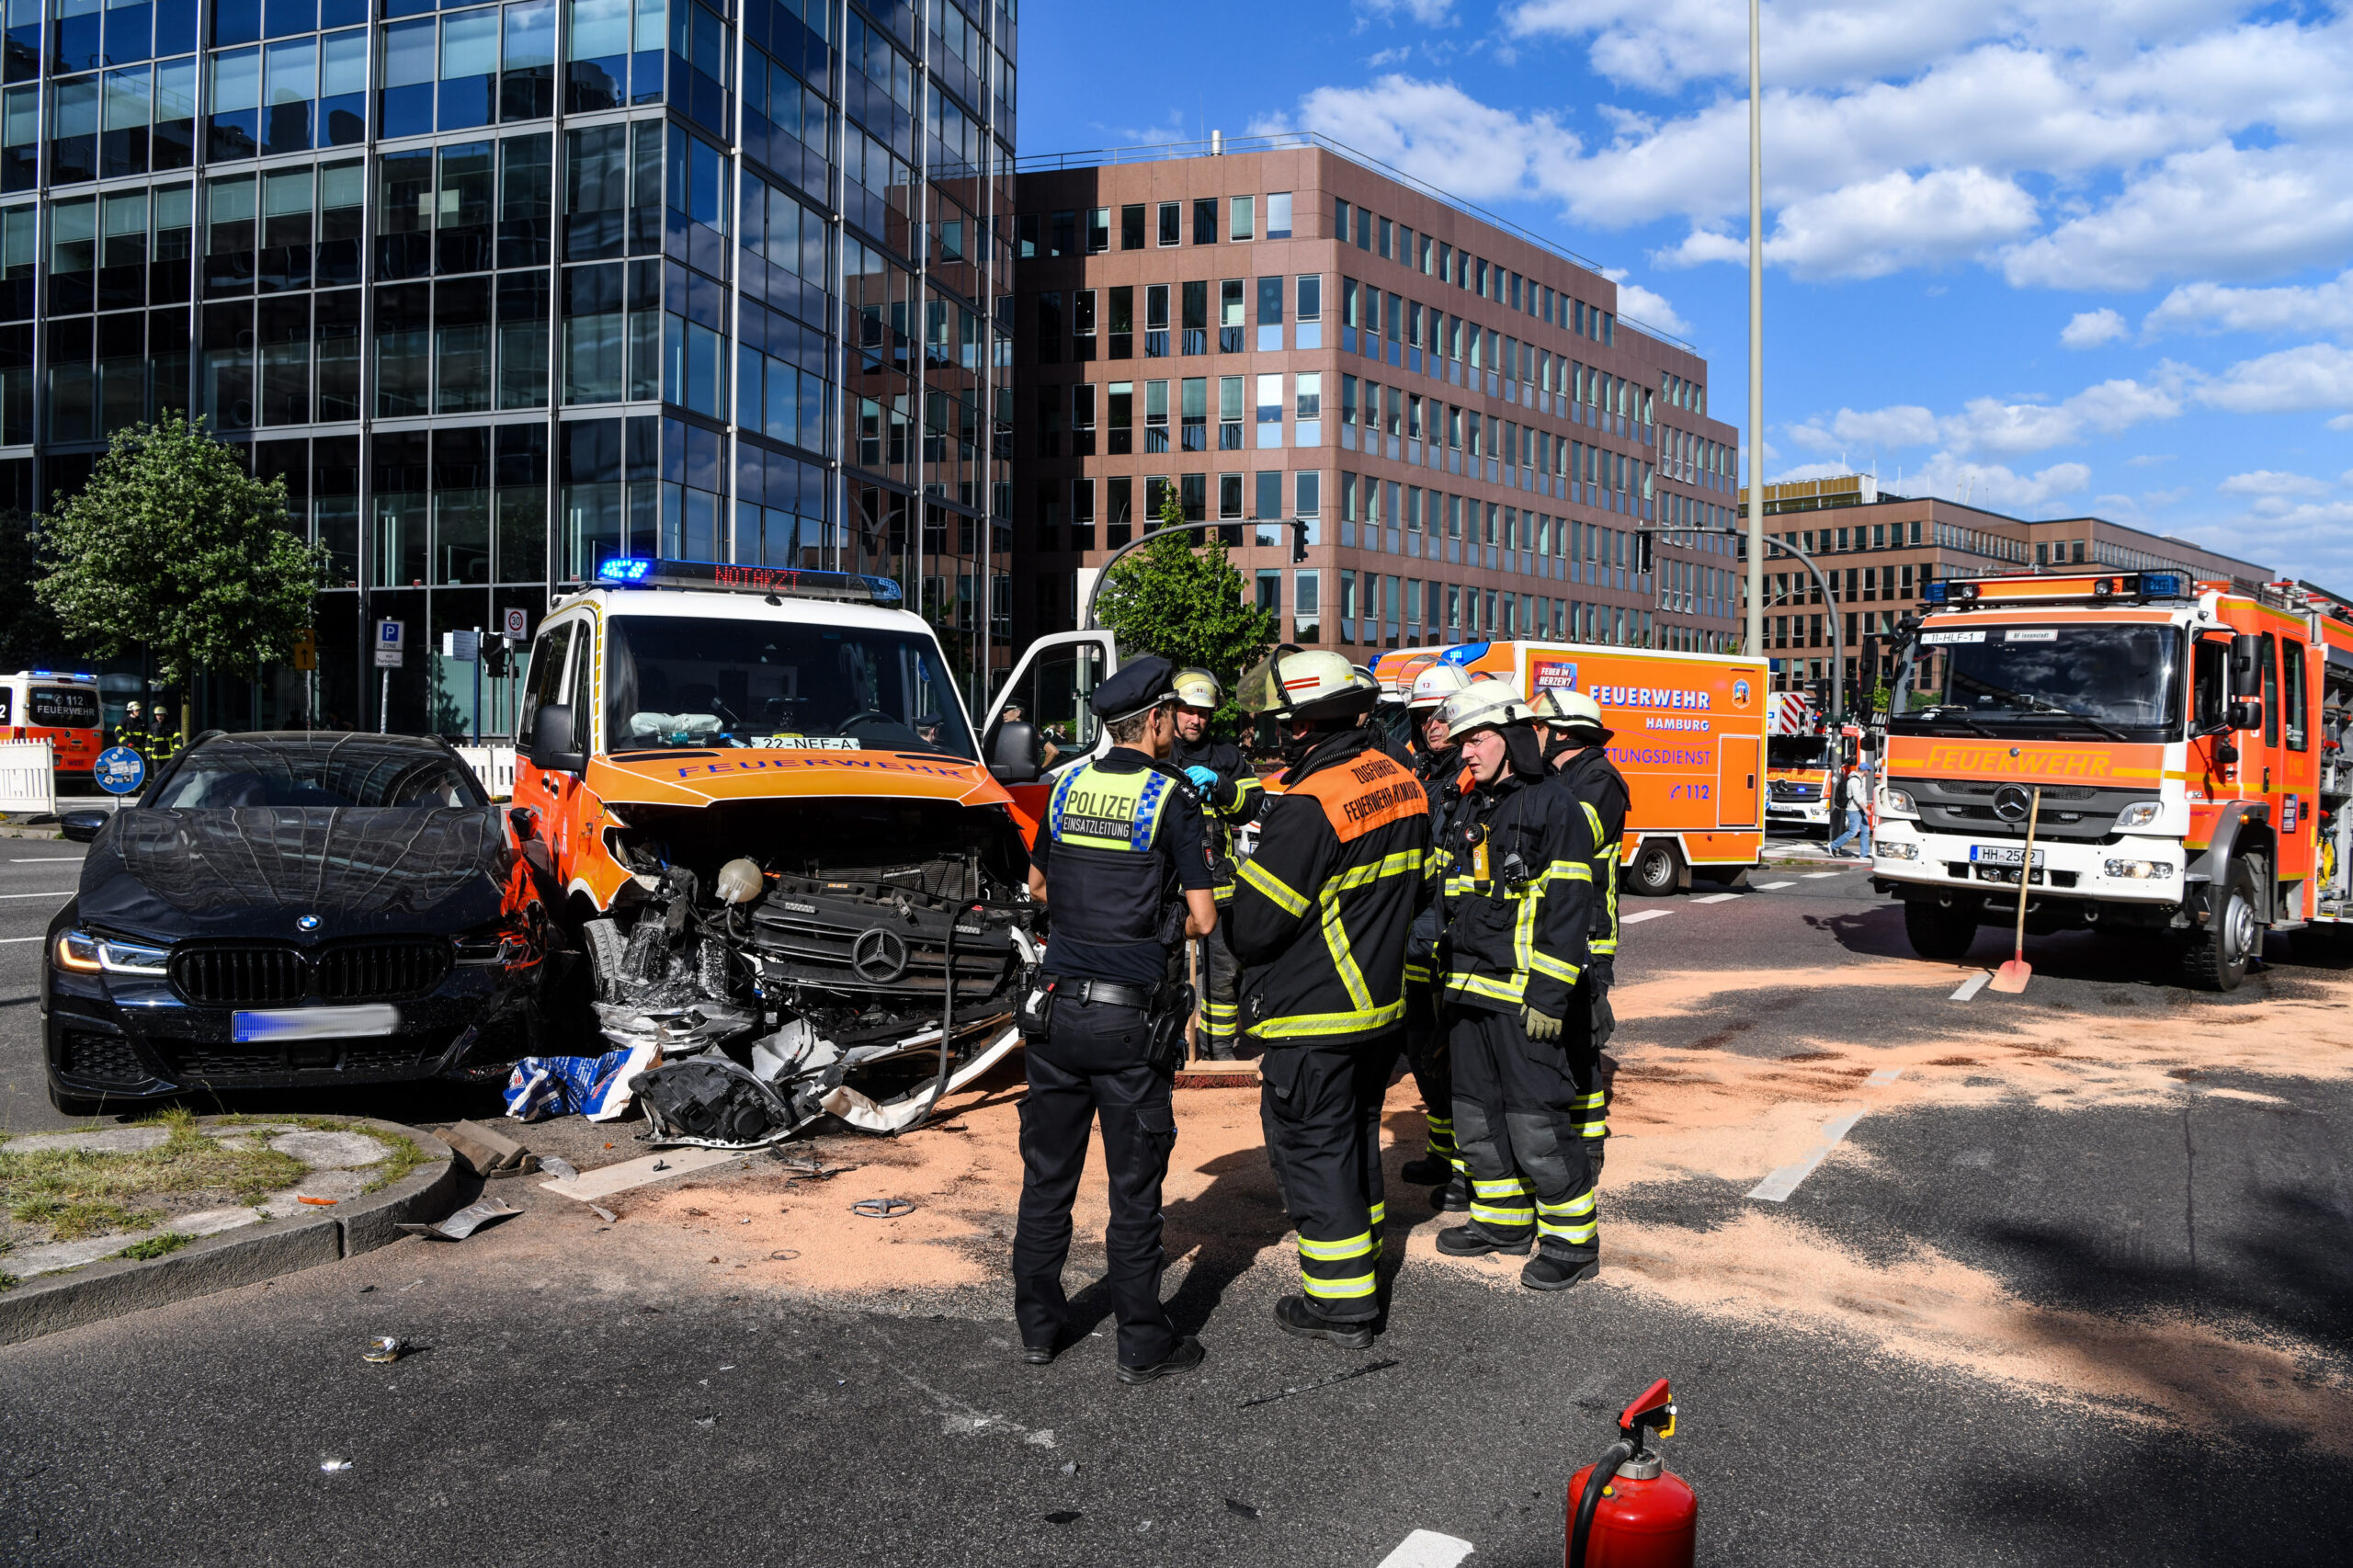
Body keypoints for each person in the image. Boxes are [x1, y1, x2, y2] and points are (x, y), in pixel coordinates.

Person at [1017, 655, 1219, 1384]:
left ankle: (1039, 1329)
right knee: (1133, 1192)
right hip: (1131, 1025)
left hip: (1055, 1012)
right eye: (1173, 717)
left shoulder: (1066, 787)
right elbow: (1202, 918)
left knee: (1047, 1181)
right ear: (1158, 720)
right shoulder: (1170, 798)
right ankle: (1141, 1343)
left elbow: (1038, 886)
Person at [1230, 646, 1429, 1346]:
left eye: (1277, 720)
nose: (1271, 732)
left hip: (1313, 1011)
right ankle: (1363, 1265)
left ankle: (1341, 1305)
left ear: (1302, 724)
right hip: (1377, 1011)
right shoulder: (1399, 779)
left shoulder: (1312, 805)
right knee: (1350, 1143)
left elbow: (1255, 928)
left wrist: (1231, 868)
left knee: (1313, 1150)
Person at [1430, 678, 1604, 1291]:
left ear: (1508, 735)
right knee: (1476, 1118)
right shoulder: (1477, 805)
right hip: (1472, 990)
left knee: (1536, 1122)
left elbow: (1568, 908)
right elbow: (1461, 894)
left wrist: (1550, 995)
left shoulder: (1555, 806)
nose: (1466, 752)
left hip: (1527, 996)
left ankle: (1571, 1241)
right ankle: (1502, 1222)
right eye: (1461, 742)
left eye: (1475, 738)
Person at [1531, 687, 1627, 1175]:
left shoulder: (1600, 778)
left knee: (1580, 1040)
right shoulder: (1556, 775)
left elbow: (1571, 834)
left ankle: (1589, 1145)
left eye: (1540, 728)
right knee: (1554, 1044)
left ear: (1564, 732)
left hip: (1589, 934)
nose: (1534, 736)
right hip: (1553, 927)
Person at [1398, 662, 1473, 1202]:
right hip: (1418, 935)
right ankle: (1443, 1153)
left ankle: (1476, 1167)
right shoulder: (1419, 774)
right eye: (1425, 717)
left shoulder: (1475, 780)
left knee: (1462, 1057)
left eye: (1443, 715)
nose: (1434, 726)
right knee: (1425, 1051)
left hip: (1457, 940)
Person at [1168, 667, 1267, 1062]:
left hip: (1219, 889)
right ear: (1173, 710)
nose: (1196, 720)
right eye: (1189, 710)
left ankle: (1216, 1049)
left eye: (1204, 713)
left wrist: (1220, 784)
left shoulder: (1227, 756)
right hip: (1169, 892)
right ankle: (1173, 1047)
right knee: (1167, 977)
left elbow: (1251, 806)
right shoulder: (1157, 754)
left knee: (1223, 978)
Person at [1827, 762, 1871, 858]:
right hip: (1854, 810)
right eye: (1869, 770)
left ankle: (1864, 854)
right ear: (1865, 771)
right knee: (1853, 832)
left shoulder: (1859, 779)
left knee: (1866, 831)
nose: (1869, 772)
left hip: (1860, 809)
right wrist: (1865, 809)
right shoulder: (1854, 780)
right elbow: (1856, 797)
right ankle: (1833, 845)